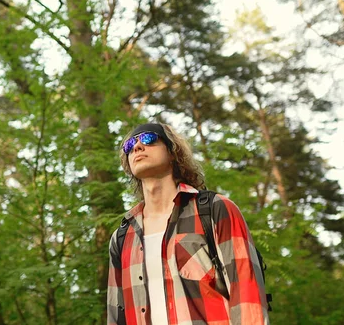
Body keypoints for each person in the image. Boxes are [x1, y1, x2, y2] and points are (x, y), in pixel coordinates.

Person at [107, 123, 269, 325]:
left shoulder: (215, 210)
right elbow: (116, 317)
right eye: (130, 145)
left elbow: (247, 295)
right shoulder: (122, 237)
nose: (137, 147)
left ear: (173, 152)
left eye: (148, 139)